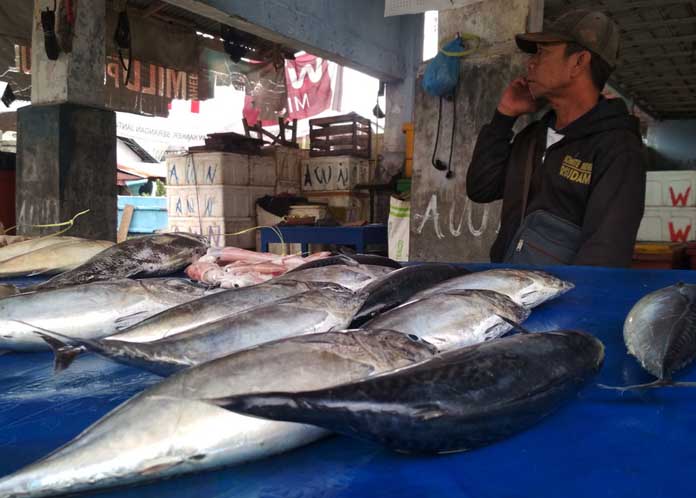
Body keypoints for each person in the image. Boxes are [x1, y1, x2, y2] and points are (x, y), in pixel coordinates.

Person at [466, 9, 646, 267]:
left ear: (578, 62)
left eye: (543, 52)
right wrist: (504, 117)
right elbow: (481, 188)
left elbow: (604, 253)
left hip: (559, 301)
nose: (531, 62)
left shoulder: (618, 148)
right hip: (512, 289)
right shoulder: (532, 137)